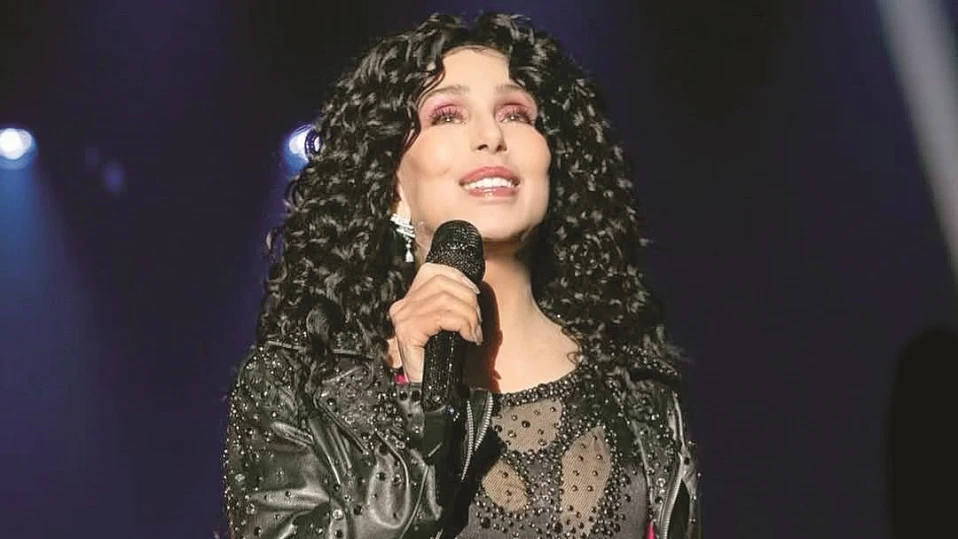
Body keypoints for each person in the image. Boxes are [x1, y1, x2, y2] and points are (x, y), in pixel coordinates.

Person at [223, 12, 700, 539]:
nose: (491, 135)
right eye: (447, 115)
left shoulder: (636, 395)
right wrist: (424, 408)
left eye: (516, 114)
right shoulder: (296, 390)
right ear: (392, 187)